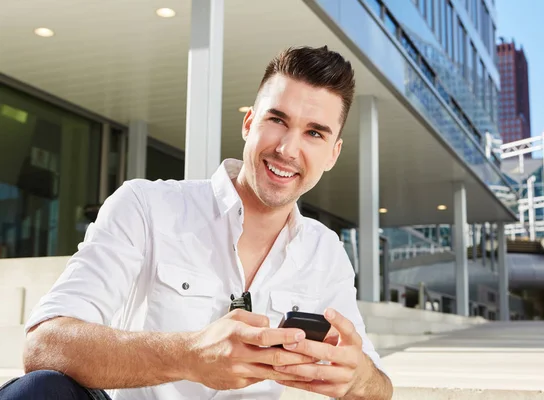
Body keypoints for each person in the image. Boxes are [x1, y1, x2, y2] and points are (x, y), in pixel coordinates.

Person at [0, 45, 393, 400]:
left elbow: (378, 384)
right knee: (40, 391)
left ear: (333, 153)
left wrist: (358, 379)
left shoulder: (325, 252)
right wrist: (190, 356)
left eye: (314, 133)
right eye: (277, 120)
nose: (288, 149)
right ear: (249, 123)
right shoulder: (146, 205)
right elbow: (44, 345)